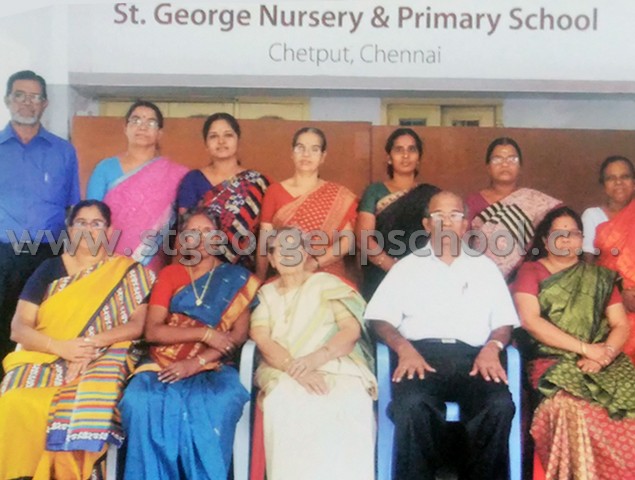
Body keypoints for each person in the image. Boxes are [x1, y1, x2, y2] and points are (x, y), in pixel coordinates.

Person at [366, 191, 519, 480]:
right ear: (427, 224)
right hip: (420, 357)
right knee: (412, 405)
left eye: (454, 215)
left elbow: (504, 323)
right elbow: (380, 319)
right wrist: (403, 348)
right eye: (438, 216)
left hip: (476, 359)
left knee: (499, 406)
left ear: (465, 224)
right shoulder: (407, 267)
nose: (446, 222)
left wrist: (493, 347)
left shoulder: (485, 268)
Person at [0, 200, 154, 480]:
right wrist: (60, 348)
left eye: (97, 224)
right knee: (14, 400)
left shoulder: (129, 273)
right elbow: (19, 328)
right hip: (44, 354)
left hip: (98, 357)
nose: (88, 230)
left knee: (79, 408)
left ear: (109, 231)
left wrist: (90, 344)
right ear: (70, 230)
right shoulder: (49, 269)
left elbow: (137, 325)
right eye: (81, 223)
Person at [119, 209, 260, 479]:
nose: (200, 239)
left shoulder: (237, 278)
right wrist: (204, 334)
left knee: (221, 401)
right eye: (192, 232)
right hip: (161, 363)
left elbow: (237, 336)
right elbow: (153, 331)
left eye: (207, 232)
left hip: (212, 367)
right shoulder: (170, 274)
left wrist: (196, 363)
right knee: (138, 401)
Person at [513, 206, 635, 480]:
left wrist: (604, 356)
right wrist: (584, 349)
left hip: (604, 363)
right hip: (552, 363)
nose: (567, 239)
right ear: (545, 241)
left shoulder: (599, 277)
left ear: (582, 240)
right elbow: (530, 321)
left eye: (574, 233)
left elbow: (620, 324)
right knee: (573, 409)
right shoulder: (531, 272)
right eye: (559, 233)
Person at [250, 227, 377, 480]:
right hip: (284, 368)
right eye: (280, 249)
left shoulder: (328, 284)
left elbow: (350, 330)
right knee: (287, 403)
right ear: (272, 259)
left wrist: (314, 360)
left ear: (307, 253)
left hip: (335, 363)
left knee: (352, 401)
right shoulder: (266, 295)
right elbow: (261, 338)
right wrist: (296, 368)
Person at [0, 70, 80, 371]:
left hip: (47, 255)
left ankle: (35, 388)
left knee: (47, 326)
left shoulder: (63, 151)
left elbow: (73, 209)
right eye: (20, 95)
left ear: (44, 103)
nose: (27, 103)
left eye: (34, 97)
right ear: (8, 100)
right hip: (3, 254)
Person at [86, 100, 188, 272]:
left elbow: (185, 225)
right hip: (107, 265)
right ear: (125, 128)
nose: (142, 126)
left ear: (160, 133)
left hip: (152, 266)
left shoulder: (177, 174)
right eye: (136, 120)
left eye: (151, 122)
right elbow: (90, 219)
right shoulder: (105, 169)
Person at [256, 127, 357, 282]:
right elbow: (265, 242)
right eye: (300, 148)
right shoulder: (274, 191)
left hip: (327, 275)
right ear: (292, 153)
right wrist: (259, 281)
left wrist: (315, 262)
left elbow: (346, 241)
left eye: (314, 149)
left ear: (323, 156)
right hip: (287, 276)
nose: (306, 154)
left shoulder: (339, 195)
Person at [176, 112, 269, 270]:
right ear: (206, 145)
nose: (221, 141)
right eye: (213, 136)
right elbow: (184, 232)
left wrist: (259, 277)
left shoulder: (257, 183)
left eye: (228, 135)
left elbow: (264, 238)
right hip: (200, 271)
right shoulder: (193, 180)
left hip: (242, 273)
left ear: (238, 140)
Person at [355, 128, 439, 300]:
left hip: (422, 274)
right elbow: (363, 238)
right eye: (399, 150)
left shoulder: (431, 194)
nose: (405, 155)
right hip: (382, 273)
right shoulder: (375, 191)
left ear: (419, 158)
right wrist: (393, 268)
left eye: (411, 149)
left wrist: (417, 270)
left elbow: (440, 235)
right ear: (389, 158)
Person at [466, 137, 560, 280]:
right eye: (497, 159)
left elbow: (562, 225)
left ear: (520, 166)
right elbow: (463, 244)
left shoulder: (535, 200)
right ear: (488, 167)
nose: (505, 164)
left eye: (512, 159)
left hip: (526, 278)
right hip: (483, 277)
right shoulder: (473, 201)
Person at [582, 156, 635, 362]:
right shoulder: (592, 216)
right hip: (610, 299)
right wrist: (620, 291)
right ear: (603, 185)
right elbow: (589, 267)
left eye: (625, 177)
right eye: (611, 178)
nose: (619, 182)